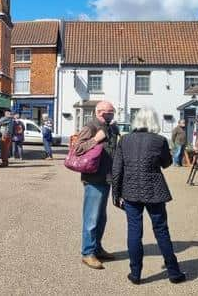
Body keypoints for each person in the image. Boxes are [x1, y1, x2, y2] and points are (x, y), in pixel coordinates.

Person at [112, 107, 186, 285]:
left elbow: (116, 169)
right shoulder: (159, 140)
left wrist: (116, 193)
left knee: (134, 231)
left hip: (130, 191)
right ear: (153, 121)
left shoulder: (125, 140)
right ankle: (174, 272)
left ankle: (135, 274)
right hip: (154, 190)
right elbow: (167, 163)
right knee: (161, 230)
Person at [75, 101, 118, 269]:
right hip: (93, 178)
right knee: (91, 218)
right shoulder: (91, 126)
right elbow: (78, 148)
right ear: (97, 112)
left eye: (112, 111)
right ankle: (87, 253)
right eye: (106, 112)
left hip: (107, 177)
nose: (109, 114)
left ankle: (97, 248)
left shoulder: (113, 128)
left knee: (101, 217)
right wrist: (95, 139)